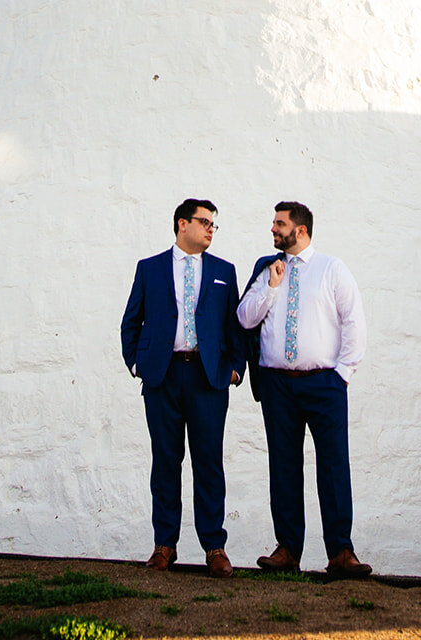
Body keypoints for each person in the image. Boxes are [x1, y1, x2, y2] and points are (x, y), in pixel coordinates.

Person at [237, 201, 370, 579]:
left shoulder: (332, 269)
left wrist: (341, 375)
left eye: (280, 223)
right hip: (277, 384)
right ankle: (288, 549)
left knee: (332, 465)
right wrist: (272, 287)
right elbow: (244, 318)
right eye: (274, 223)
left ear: (301, 230)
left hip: (324, 383)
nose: (273, 229)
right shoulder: (267, 271)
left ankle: (341, 552)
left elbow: (353, 322)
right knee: (283, 466)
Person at [121, 198, 245, 577]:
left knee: (209, 462)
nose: (210, 229)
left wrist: (235, 369)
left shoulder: (224, 271)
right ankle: (164, 545)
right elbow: (131, 321)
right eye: (204, 222)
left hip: (208, 379)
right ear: (181, 224)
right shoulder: (151, 268)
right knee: (165, 461)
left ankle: (214, 547)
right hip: (163, 376)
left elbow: (234, 326)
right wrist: (137, 363)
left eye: (214, 225)